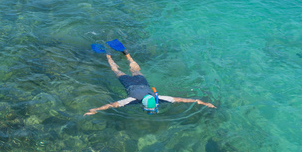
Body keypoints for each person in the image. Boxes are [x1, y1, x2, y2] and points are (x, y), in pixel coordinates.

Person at [85, 46, 216, 115]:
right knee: (117, 71)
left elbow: (179, 99)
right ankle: (108, 55)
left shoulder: (157, 97)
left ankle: (127, 55)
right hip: (129, 83)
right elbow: (112, 105)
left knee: (135, 70)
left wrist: (200, 102)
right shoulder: (132, 101)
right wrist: (95, 109)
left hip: (141, 81)